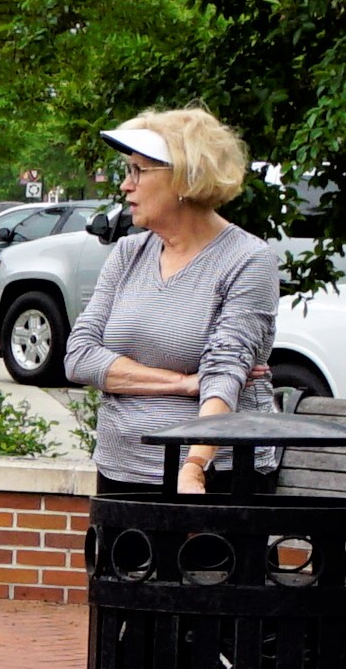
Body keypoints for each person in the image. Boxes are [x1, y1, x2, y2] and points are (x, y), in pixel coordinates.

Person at [64, 109, 280, 497]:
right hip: (121, 467)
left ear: (184, 177)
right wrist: (183, 383)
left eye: (138, 171)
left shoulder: (248, 260)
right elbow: (79, 357)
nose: (126, 187)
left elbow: (224, 374)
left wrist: (194, 466)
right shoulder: (128, 253)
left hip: (216, 477)